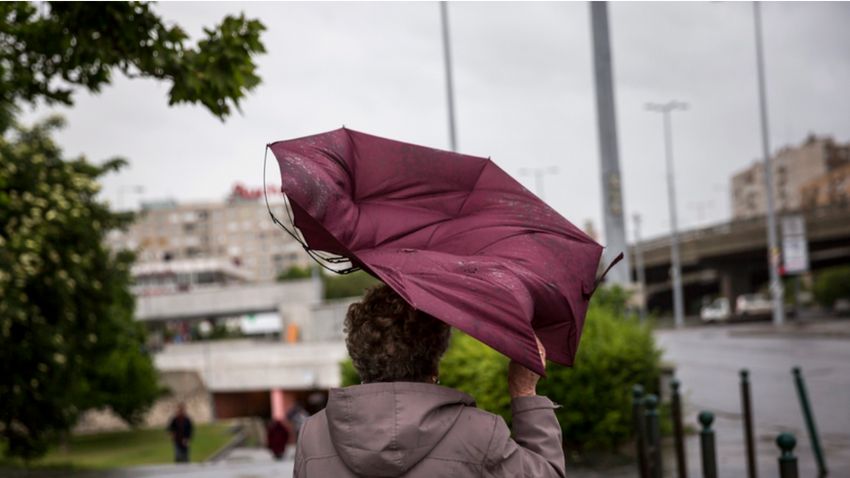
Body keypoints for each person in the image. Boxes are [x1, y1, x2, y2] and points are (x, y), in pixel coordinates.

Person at [294, 285, 565, 477]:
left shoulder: (314, 435)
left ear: (358, 355)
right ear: (434, 358)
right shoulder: (481, 434)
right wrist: (525, 392)